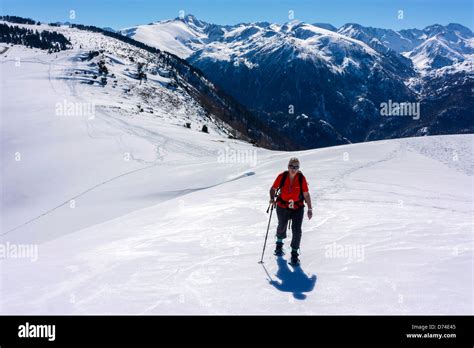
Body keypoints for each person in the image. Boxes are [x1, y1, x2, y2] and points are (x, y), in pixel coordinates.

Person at [269, 158, 312, 265]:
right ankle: (279, 245)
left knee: (297, 231)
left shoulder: (301, 178)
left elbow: (306, 194)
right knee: (281, 226)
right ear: (288, 167)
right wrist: (272, 199)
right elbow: (273, 189)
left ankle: (294, 254)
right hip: (282, 205)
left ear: (299, 168)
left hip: (297, 207)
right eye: (291, 166)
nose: (293, 169)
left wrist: (310, 208)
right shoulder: (282, 176)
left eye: (296, 167)